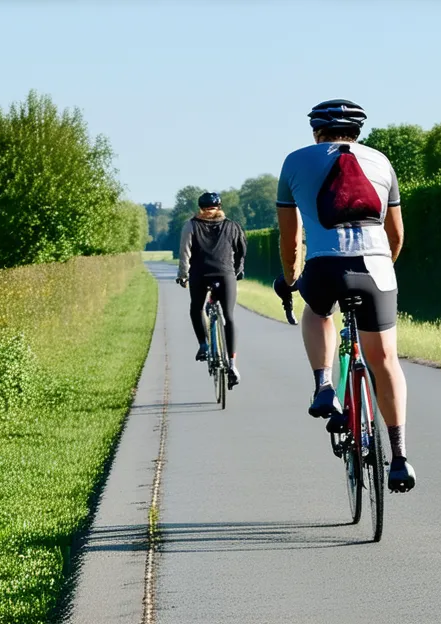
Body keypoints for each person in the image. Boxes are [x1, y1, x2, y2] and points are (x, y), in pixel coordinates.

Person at [274, 99, 415, 492]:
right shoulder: (382, 162)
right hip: (376, 269)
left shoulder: (294, 162)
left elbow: (291, 238)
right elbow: (396, 235)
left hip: (323, 266)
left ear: (316, 132)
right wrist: (384, 267)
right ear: (358, 133)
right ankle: (400, 457)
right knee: (385, 359)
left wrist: (291, 278)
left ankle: (322, 386)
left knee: (317, 312)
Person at [175, 191, 247, 387]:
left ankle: (203, 345)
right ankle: (232, 363)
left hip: (200, 275)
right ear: (220, 207)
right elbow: (241, 249)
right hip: (225, 275)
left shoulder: (191, 225)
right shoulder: (232, 226)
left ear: (200, 208)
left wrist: (183, 275)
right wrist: (238, 270)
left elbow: (185, 252)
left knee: (197, 308)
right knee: (229, 316)